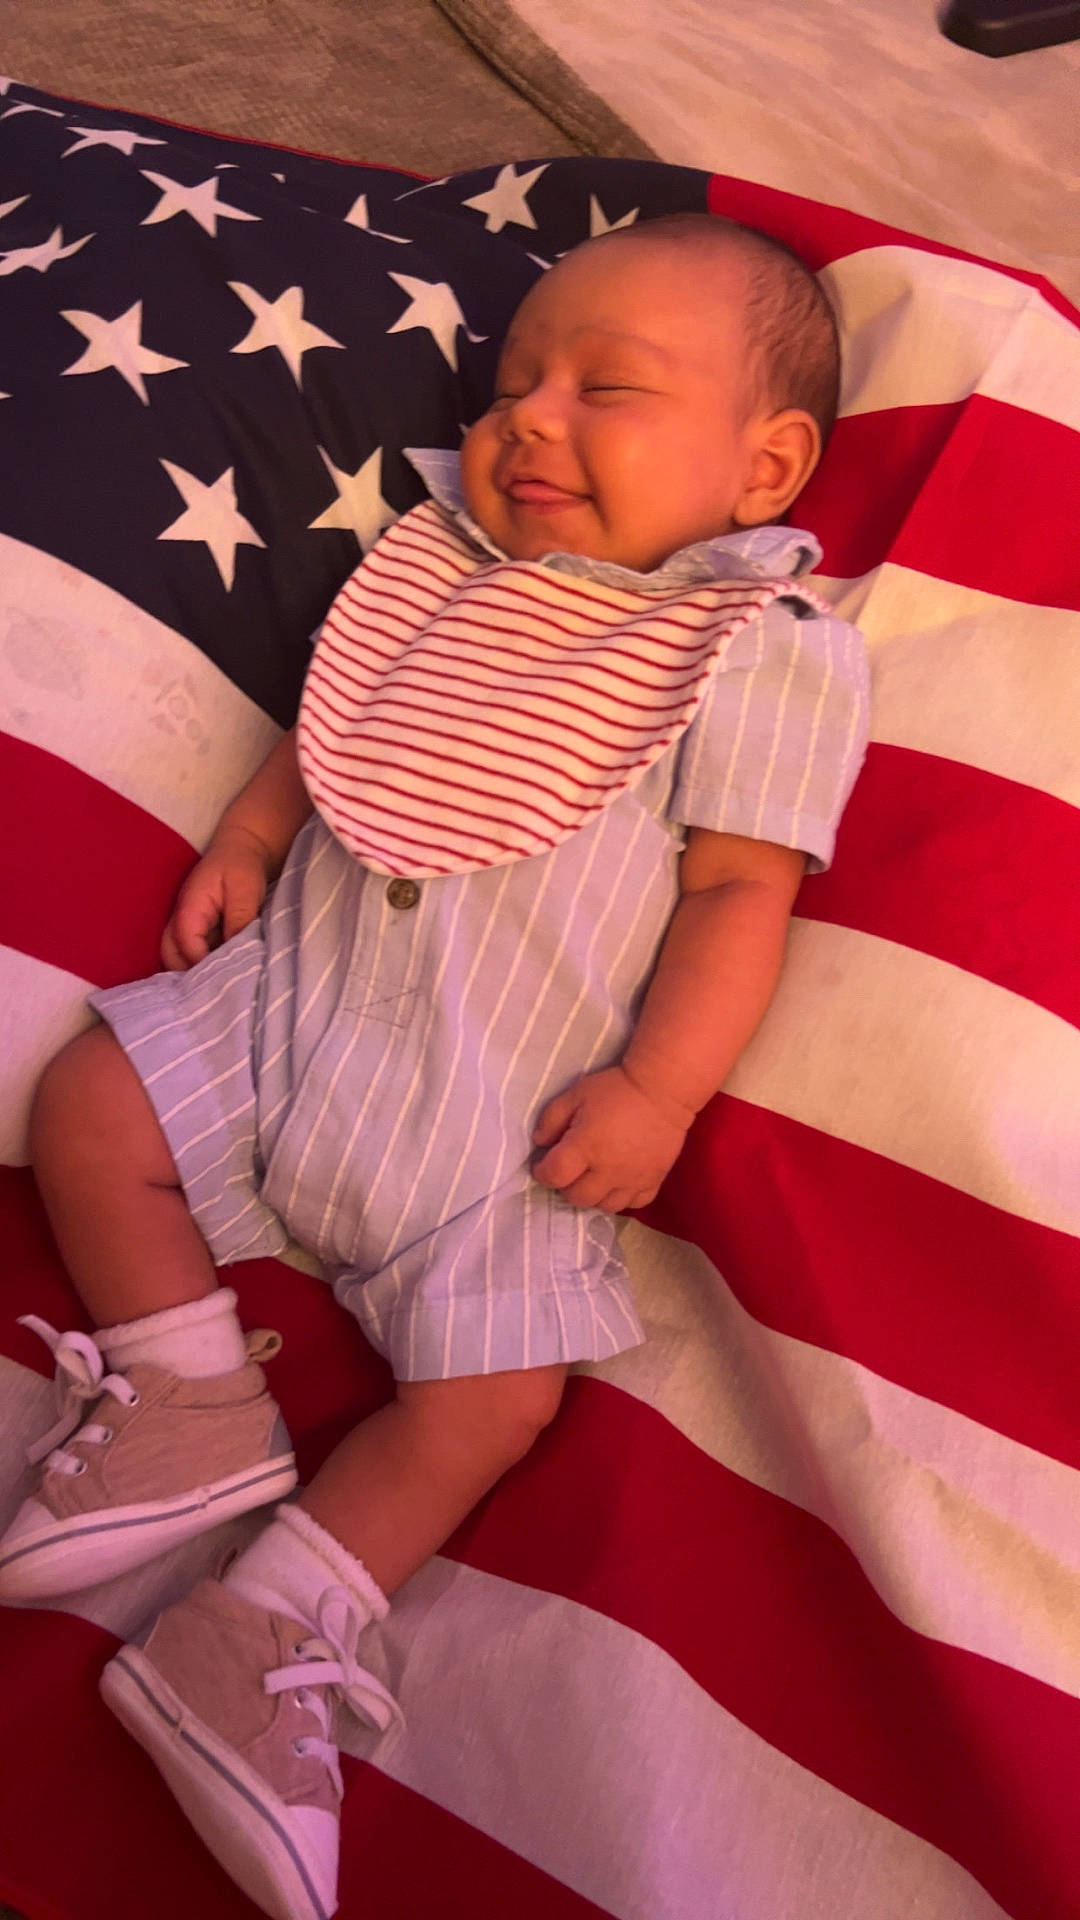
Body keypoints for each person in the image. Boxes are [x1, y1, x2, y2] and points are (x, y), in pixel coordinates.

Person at [0, 212, 870, 1920]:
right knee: (88, 1100)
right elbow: (330, 744)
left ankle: (261, 1635)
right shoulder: (441, 574)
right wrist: (250, 838)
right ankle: (187, 1402)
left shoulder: (754, 649)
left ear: (765, 466)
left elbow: (742, 890)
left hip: (500, 1120)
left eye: (605, 389)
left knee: (490, 1402)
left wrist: (662, 1096)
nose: (528, 418)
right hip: (294, 1008)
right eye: (513, 385)